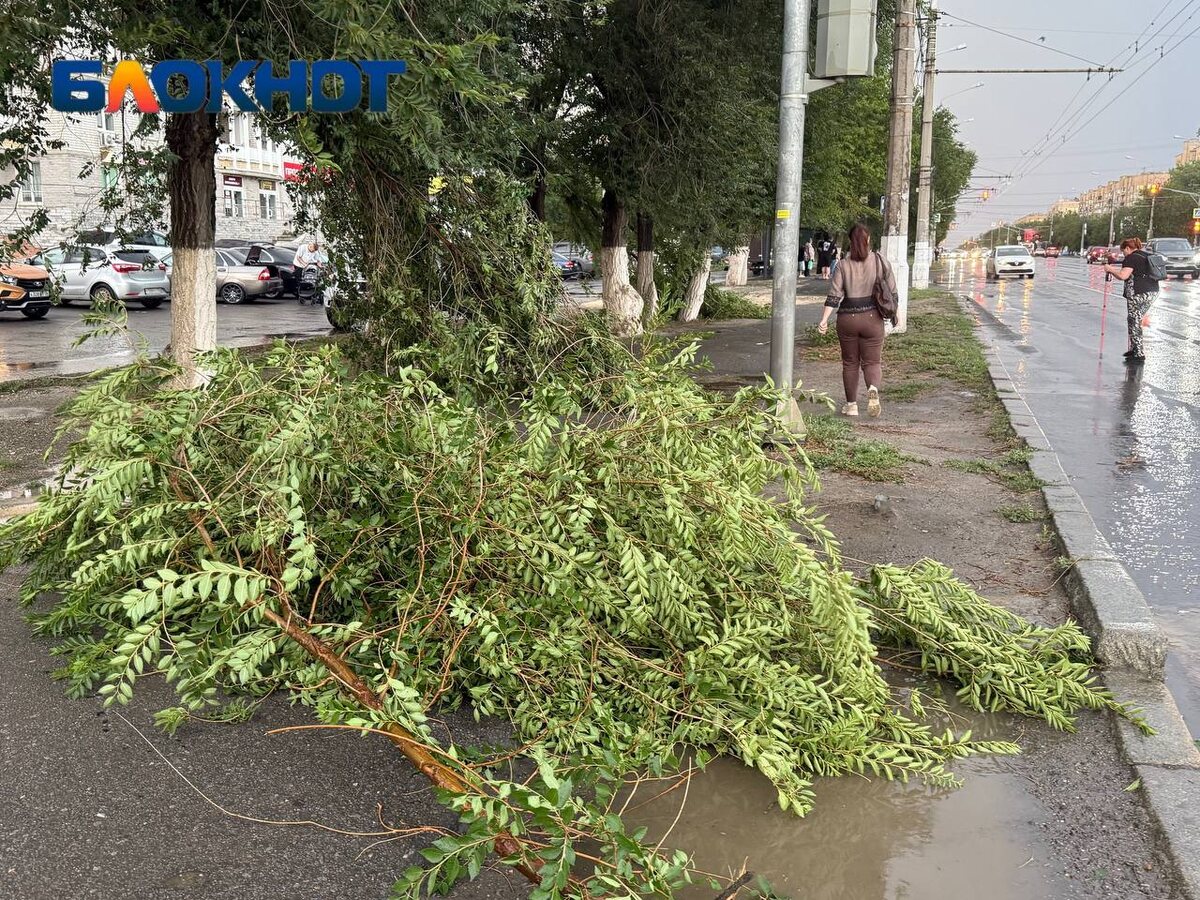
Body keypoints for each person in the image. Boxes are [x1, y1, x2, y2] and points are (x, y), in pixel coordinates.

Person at [815, 223, 896, 418]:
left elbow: (834, 296)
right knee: (872, 362)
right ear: (868, 240)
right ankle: (873, 389)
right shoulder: (880, 261)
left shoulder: (842, 264)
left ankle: (851, 405)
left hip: (847, 319)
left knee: (850, 363)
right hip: (872, 318)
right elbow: (893, 293)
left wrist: (824, 320)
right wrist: (895, 314)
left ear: (851, 241)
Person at [1102, 237, 1158, 364]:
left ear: (1128, 248)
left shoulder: (1131, 258)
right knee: (1134, 319)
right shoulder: (1145, 255)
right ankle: (1135, 349)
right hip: (1152, 292)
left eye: (1123, 251)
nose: (1124, 254)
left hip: (1137, 292)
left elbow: (1123, 275)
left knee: (1134, 320)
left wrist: (1110, 269)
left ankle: (1138, 353)